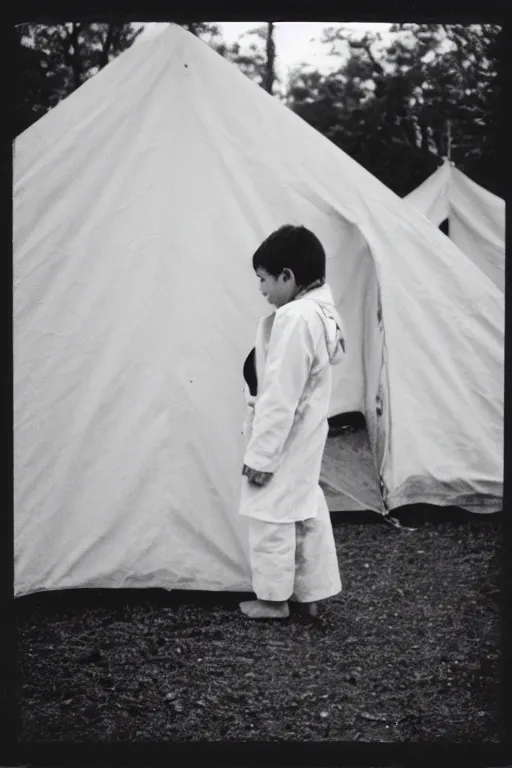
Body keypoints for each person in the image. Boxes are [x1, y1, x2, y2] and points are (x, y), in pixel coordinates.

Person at [239, 224, 344, 619]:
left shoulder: (296, 319)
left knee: (272, 512)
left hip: (284, 438)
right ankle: (309, 595)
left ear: (288, 276)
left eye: (264, 279)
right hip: (305, 435)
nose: (261, 289)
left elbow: (282, 394)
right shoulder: (319, 315)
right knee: (302, 509)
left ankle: (272, 600)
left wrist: (262, 455)